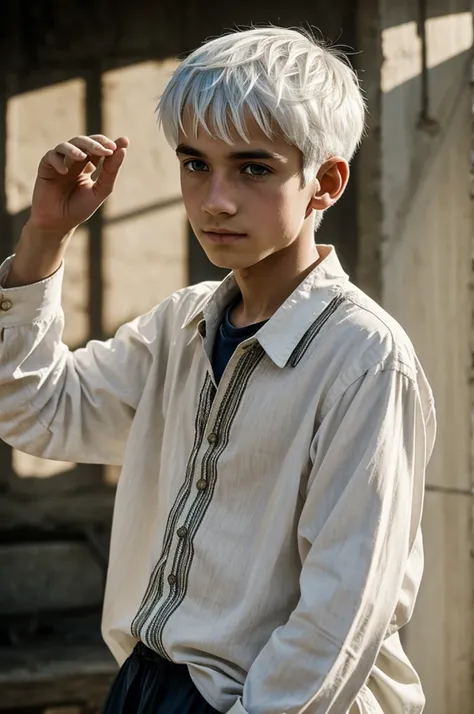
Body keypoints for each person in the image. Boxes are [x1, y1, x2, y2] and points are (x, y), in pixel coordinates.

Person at [0, 26, 435, 714]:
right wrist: (44, 238)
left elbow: (342, 612)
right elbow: (35, 410)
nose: (214, 200)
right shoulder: (182, 325)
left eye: (253, 168)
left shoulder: (364, 359)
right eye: (195, 164)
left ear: (324, 181)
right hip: (145, 683)